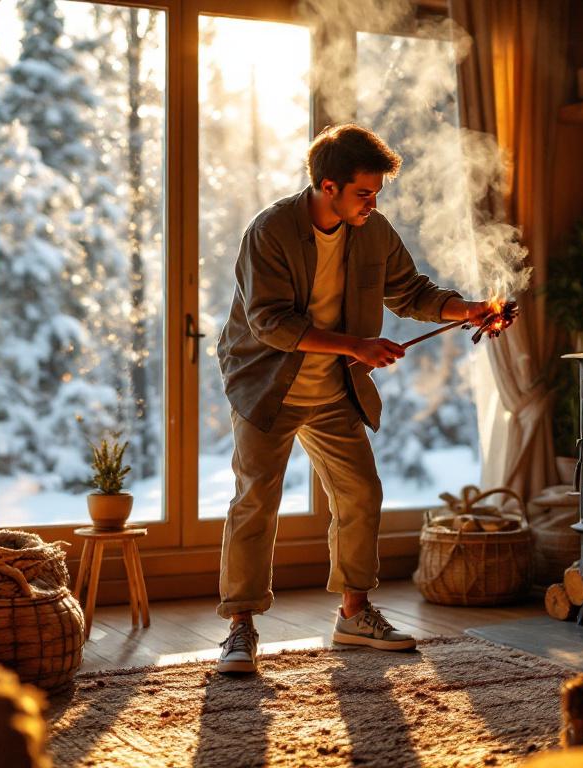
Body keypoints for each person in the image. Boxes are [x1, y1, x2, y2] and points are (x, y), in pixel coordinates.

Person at [214, 123, 513, 674]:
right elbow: (270, 323)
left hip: (333, 387)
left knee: (360, 493)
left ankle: (354, 614)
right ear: (327, 187)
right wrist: (357, 345)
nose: (373, 204)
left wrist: (465, 309)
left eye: (376, 193)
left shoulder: (372, 230)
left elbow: (412, 292)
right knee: (257, 499)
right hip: (267, 384)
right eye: (363, 193)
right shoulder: (271, 231)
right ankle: (240, 627)